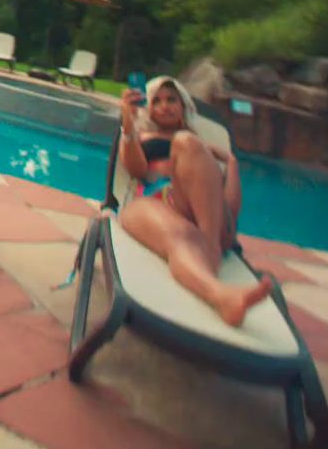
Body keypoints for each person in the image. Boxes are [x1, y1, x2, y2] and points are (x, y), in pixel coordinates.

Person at [117, 76, 273, 327]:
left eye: (171, 100)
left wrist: (231, 163)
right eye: (156, 101)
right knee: (180, 236)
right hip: (157, 203)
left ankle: (209, 252)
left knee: (186, 142)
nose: (164, 106)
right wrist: (128, 125)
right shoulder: (142, 136)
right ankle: (222, 294)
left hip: (203, 218)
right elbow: (136, 171)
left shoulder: (198, 147)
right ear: (149, 109)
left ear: (183, 106)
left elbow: (229, 211)